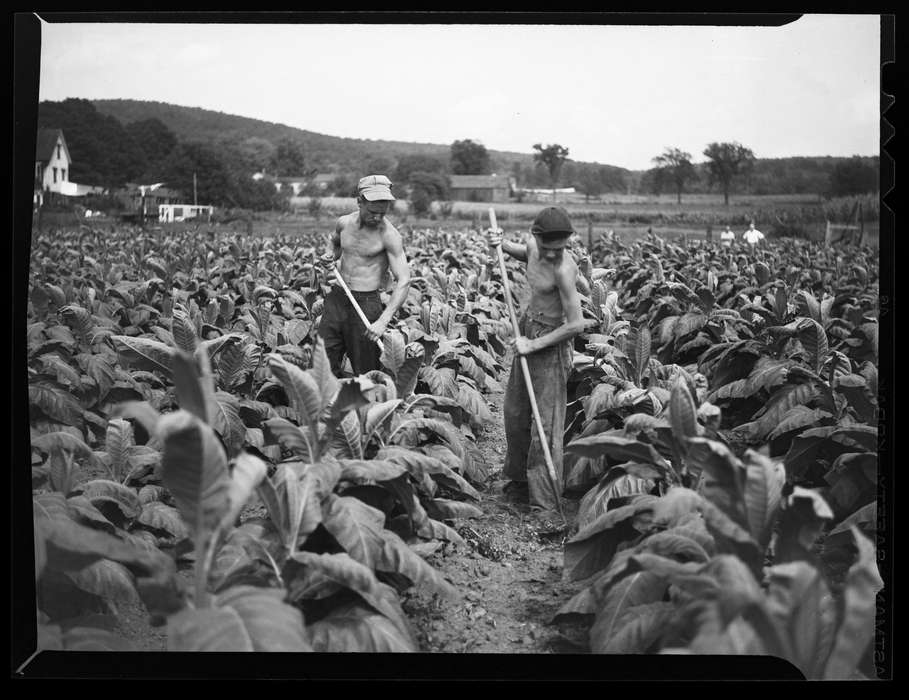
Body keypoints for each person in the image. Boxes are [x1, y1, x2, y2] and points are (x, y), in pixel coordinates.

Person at [486, 206, 588, 512]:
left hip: (552, 343)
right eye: (549, 248)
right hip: (528, 329)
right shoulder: (532, 246)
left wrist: (533, 345)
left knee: (545, 424)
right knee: (515, 412)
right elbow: (524, 252)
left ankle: (543, 502)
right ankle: (518, 481)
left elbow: (576, 324)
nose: (555, 253)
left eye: (561, 248)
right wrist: (500, 244)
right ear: (536, 238)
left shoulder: (564, 268)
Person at [318, 174, 411, 376]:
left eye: (382, 211)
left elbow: (404, 280)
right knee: (323, 362)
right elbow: (333, 243)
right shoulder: (344, 223)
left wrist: (383, 321)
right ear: (359, 202)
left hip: (366, 304)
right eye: (372, 212)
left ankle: (368, 406)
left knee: (366, 370)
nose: (377, 217)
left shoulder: (390, 235)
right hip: (337, 298)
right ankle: (327, 405)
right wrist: (329, 256)